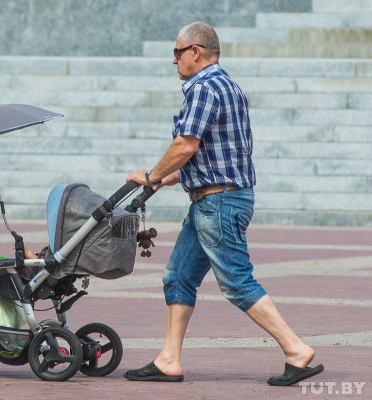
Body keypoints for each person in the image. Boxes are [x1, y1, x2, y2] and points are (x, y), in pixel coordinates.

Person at [123, 22, 323, 386]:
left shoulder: (203, 88)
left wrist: (152, 175)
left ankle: (297, 350)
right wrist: (168, 179)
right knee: (178, 276)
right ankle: (169, 360)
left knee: (236, 281)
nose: (174, 61)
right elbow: (217, 153)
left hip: (219, 203)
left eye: (177, 52)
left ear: (195, 51)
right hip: (215, 199)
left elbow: (186, 144)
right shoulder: (228, 85)